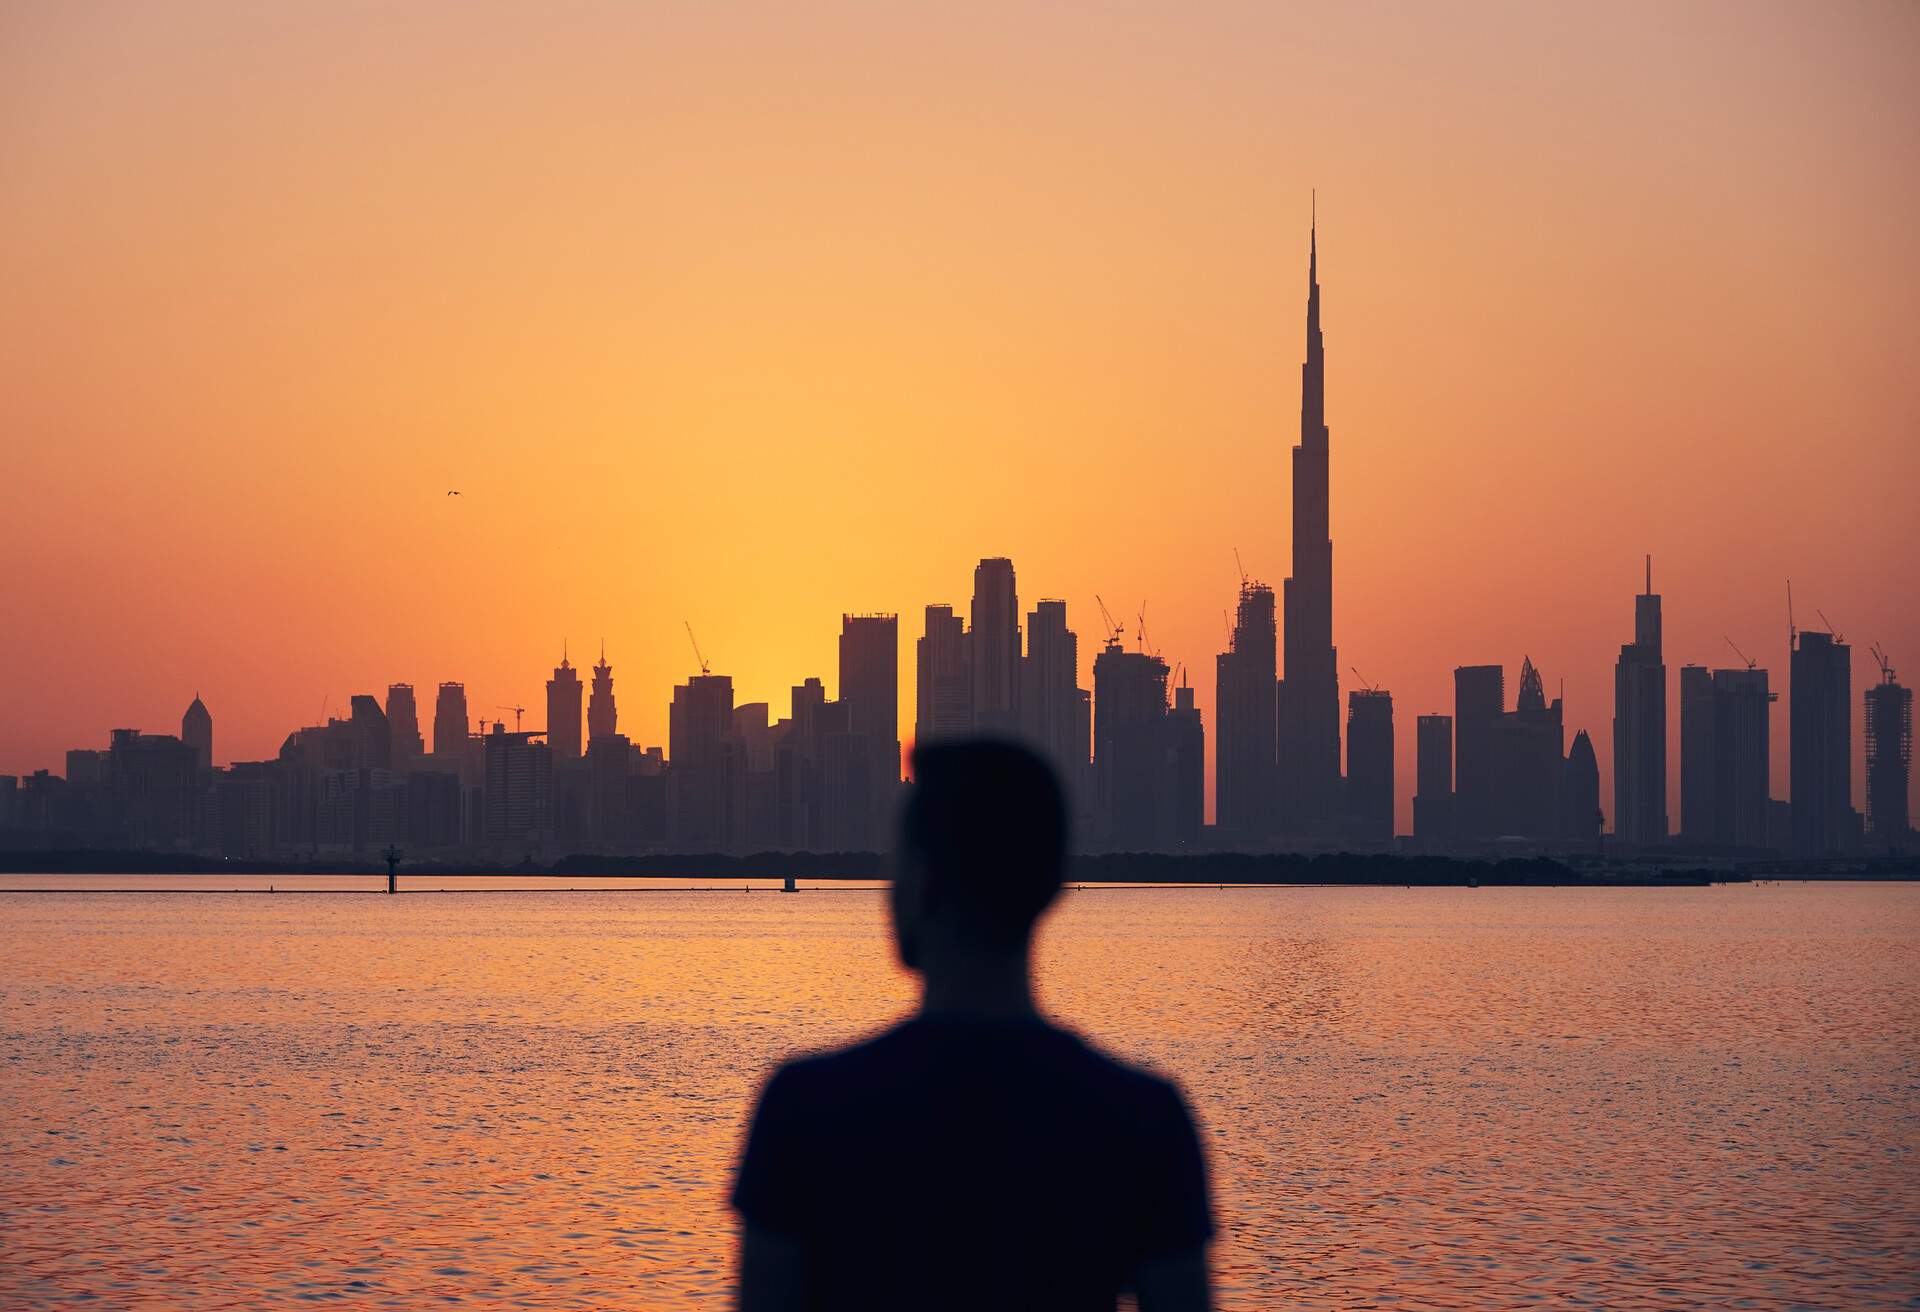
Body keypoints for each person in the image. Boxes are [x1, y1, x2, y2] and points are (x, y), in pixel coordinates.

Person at [732, 738, 1214, 1311]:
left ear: (923, 881)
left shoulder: (805, 1109)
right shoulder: (1145, 1120)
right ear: (1051, 888)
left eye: (895, 867)